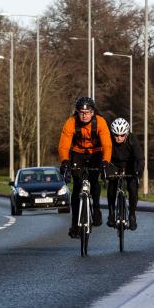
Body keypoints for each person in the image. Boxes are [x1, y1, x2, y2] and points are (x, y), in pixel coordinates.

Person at [58, 97, 112, 237]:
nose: (84, 115)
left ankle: (96, 208)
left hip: (96, 153)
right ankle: (75, 224)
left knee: (94, 181)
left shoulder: (100, 122)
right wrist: (65, 161)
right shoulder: (71, 122)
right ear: (77, 112)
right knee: (77, 187)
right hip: (77, 153)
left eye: (87, 112)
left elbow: (107, 144)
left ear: (93, 112)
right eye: (81, 112)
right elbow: (64, 144)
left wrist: (105, 161)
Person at [105, 117, 143, 230]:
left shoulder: (132, 140)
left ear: (127, 133)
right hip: (114, 164)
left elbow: (140, 158)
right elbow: (103, 156)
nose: (119, 138)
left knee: (132, 188)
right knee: (112, 184)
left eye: (122, 135)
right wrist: (104, 171)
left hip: (129, 164)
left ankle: (132, 214)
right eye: (116, 135)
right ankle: (111, 213)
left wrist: (138, 171)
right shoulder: (108, 140)